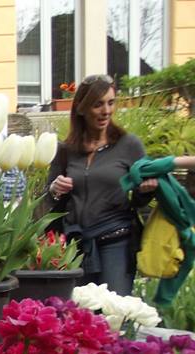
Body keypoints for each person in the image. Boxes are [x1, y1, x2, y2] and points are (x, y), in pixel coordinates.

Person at [45, 74, 158, 295]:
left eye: (111, 102)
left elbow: (140, 201)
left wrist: (145, 192)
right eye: (98, 105)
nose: (106, 111)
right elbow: (48, 197)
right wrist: (54, 189)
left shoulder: (129, 145)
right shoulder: (65, 150)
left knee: (113, 316)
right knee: (79, 317)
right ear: (81, 108)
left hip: (116, 242)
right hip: (76, 246)